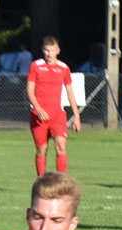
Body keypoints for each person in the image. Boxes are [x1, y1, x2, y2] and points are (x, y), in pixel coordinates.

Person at [26, 36, 81, 175]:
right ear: (43, 50)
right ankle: (41, 181)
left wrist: (77, 116)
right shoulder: (36, 66)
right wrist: (38, 109)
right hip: (38, 116)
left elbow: (70, 92)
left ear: (58, 51)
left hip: (57, 116)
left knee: (61, 147)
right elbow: (29, 89)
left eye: (52, 50)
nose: (49, 54)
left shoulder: (64, 68)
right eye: (46, 50)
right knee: (42, 149)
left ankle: (63, 181)